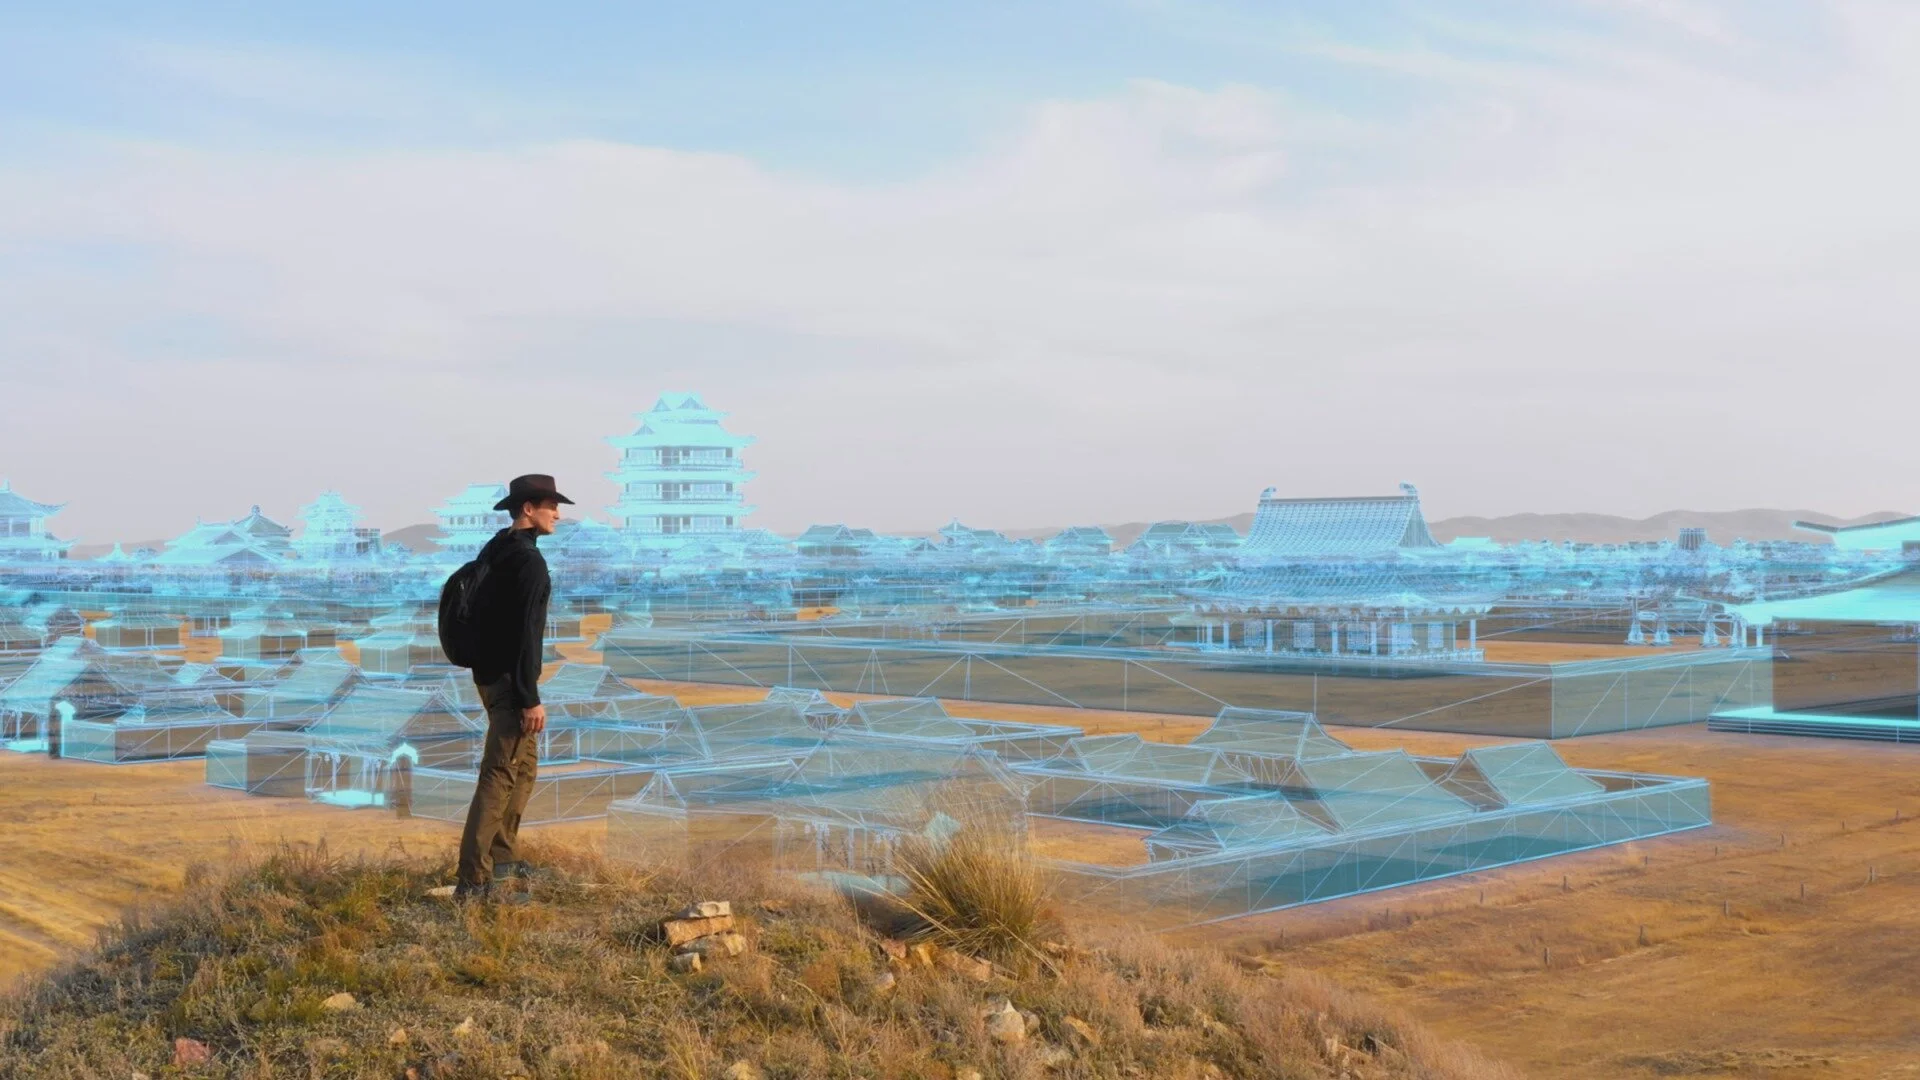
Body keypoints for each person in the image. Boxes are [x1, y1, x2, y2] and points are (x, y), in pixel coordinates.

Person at [455, 473, 573, 899]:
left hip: (489, 677)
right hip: (511, 684)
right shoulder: (529, 562)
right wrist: (529, 697)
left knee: (522, 769)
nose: (558, 513)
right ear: (528, 509)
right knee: (500, 775)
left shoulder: (497, 548)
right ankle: (473, 880)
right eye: (550, 505)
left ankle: (502, 860)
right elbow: (525, 635)